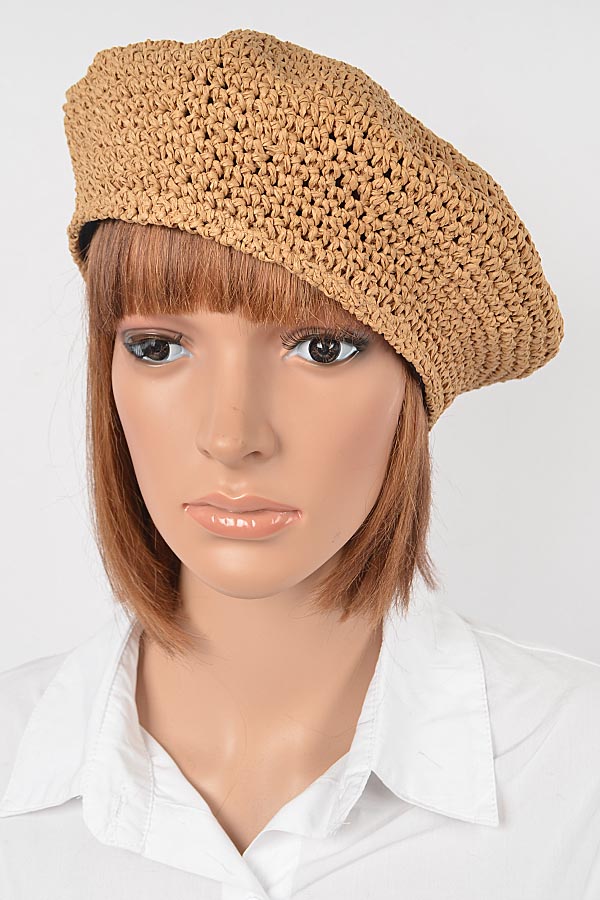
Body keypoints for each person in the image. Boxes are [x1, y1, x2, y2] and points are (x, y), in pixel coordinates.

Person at [1, 28, 598, 899]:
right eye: (160, 347)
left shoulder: (576, 781)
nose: (233, 435)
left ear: (410, 392)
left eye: (321, 348)